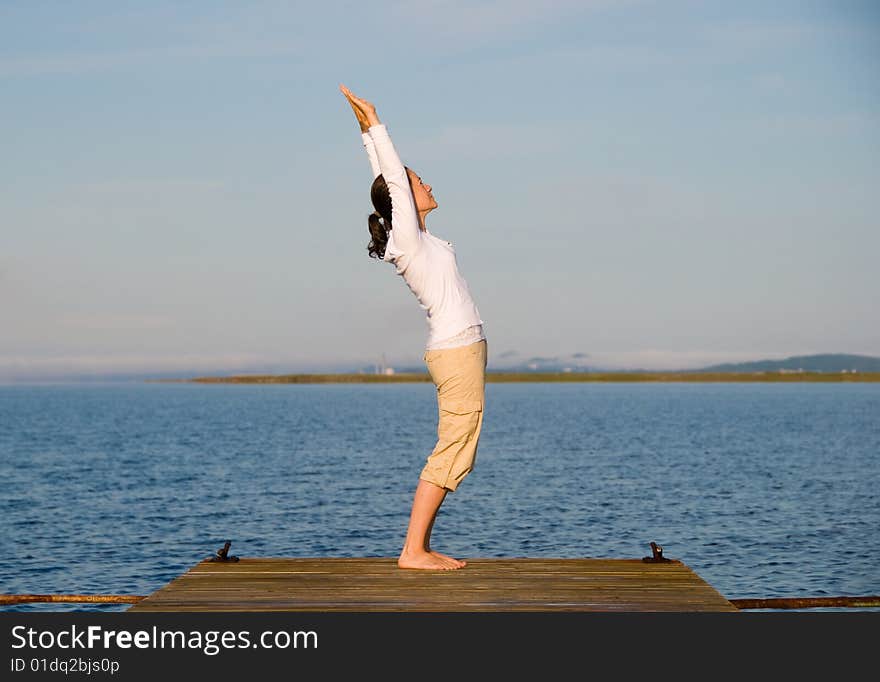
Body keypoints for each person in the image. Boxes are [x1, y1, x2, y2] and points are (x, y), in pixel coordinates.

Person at [340, 84, 487, 570]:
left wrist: (366, 135)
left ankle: (416, 549)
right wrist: (377, 124)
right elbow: (394, 183)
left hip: (461, 350)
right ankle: (413, 551)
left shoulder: (418, 239)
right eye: (419, 181)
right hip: (456, 350)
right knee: (452, 449)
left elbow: (388, 180)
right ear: (403, 200)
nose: (427, 185)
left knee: (456, 446)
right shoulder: (408, 240)